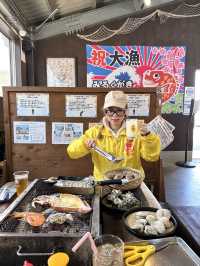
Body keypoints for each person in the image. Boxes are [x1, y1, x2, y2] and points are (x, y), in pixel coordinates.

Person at [67, 91, 160, 181]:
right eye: (110, 111)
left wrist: (147, 135)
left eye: (119, 111)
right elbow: (72, 152)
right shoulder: (94, 132)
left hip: (132, 181)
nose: (114, 116)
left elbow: (151, 157)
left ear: (125, 112)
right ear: (105, 112)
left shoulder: (136, 130)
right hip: (104, 182)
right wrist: (84, 144)